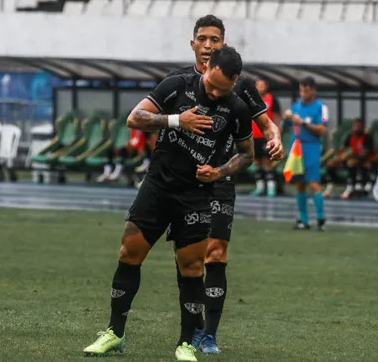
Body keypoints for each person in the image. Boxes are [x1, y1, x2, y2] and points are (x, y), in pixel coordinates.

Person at [82, 46, 255, 362]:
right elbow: (135, 118)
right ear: (206, 67)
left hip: (196, 195)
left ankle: (186, 343)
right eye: (211, 85)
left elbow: (247, 155)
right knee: (128, 252)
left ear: (235, 81)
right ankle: (115, 333)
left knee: (191, 267)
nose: (215, 93)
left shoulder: (238, 109)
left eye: (223, 89)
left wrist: (218, 171)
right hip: (158, 186)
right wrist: (177, 120)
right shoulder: (177, 84)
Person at [166, 15, 283, 355]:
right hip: (182, 183)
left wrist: (275, 138)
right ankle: (192, 327)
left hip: (219, 179)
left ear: (223, 44)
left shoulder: (239, 84)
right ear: (193, 44)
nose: (208, 45)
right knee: (188, 259)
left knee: (217, 252)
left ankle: (209, 335)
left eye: (214, 39)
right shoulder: (179, 82)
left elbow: (266, 123)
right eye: (202, 38)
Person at [284, 77, 329, 231]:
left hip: (311, 147)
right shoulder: (295, 106)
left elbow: (322, 130)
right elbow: (286, 126)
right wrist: (286, 119)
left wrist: (302, 123)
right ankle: (303, 220)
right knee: (299, 184)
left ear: (313, 90)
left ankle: (321, 218)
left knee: (313, 183)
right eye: (301, 90)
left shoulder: (320, 107)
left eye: (306, 90)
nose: (303, 93)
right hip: (296, 148)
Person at [322, 118, 375, 199]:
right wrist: (338, 156)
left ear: (362, 127)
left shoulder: (367, 137)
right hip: (350, 159)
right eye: (355, 126)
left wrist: (347, 156)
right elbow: (342, 148)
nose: (356, 128)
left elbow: (363, 154)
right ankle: (330, 187)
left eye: (359, 126)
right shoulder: (351, 135)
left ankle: (350, 187)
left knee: (351, 163)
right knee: (331, 163)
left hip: (364, 161)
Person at [249, 77, 281, 197]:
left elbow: (278, 116)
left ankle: (271, 188)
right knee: (258, 161)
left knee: (268, 161)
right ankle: (260, 187)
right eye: (257, 85)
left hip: (268, 136)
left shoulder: (272, 99)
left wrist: (277, 132)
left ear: (266, 86)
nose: (259, 87)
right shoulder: (252, 99)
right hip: (255, 135)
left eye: (261, 85)